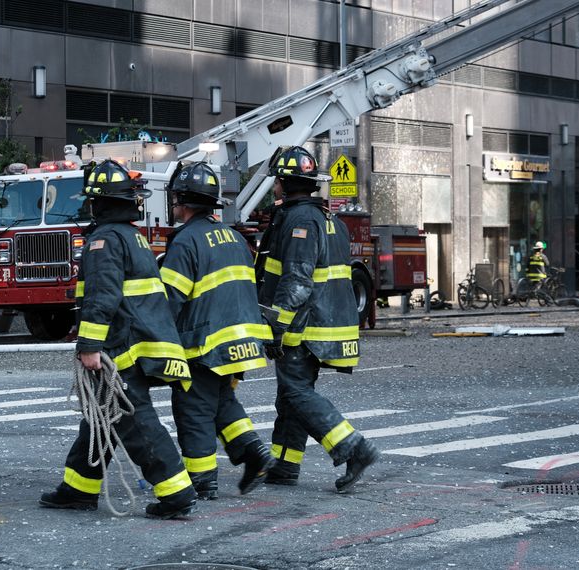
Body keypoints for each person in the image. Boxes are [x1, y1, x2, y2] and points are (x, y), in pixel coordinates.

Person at [39, 159, 198, 519]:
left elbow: (102, 296)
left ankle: (176, 492)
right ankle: (79, 488)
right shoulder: (131, 236)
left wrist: (90, 346)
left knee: (133, 418)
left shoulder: (105, 240)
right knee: (102, 416)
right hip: (138, 340)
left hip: (122, 347)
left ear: (98, 202)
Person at [256, 146, 379, 493]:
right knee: (291, 395)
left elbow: (297, 280)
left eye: (276, 181)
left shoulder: (299, 221)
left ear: (283, 183)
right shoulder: (327, 219)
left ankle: (353, 448)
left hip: (304, 326)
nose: (274, 186)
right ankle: (285, 465)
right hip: (324, 323)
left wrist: (276, 326)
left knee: (295, 393)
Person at [160, 161, 276, 500]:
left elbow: (170, 299)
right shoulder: (235, 237)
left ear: (181, 200)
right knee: (222, 400)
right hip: (239, 339)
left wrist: (155, 338)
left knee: (193, 408)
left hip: (204, 343)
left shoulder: (185, 242)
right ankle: (255, 452)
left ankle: (202, 480)